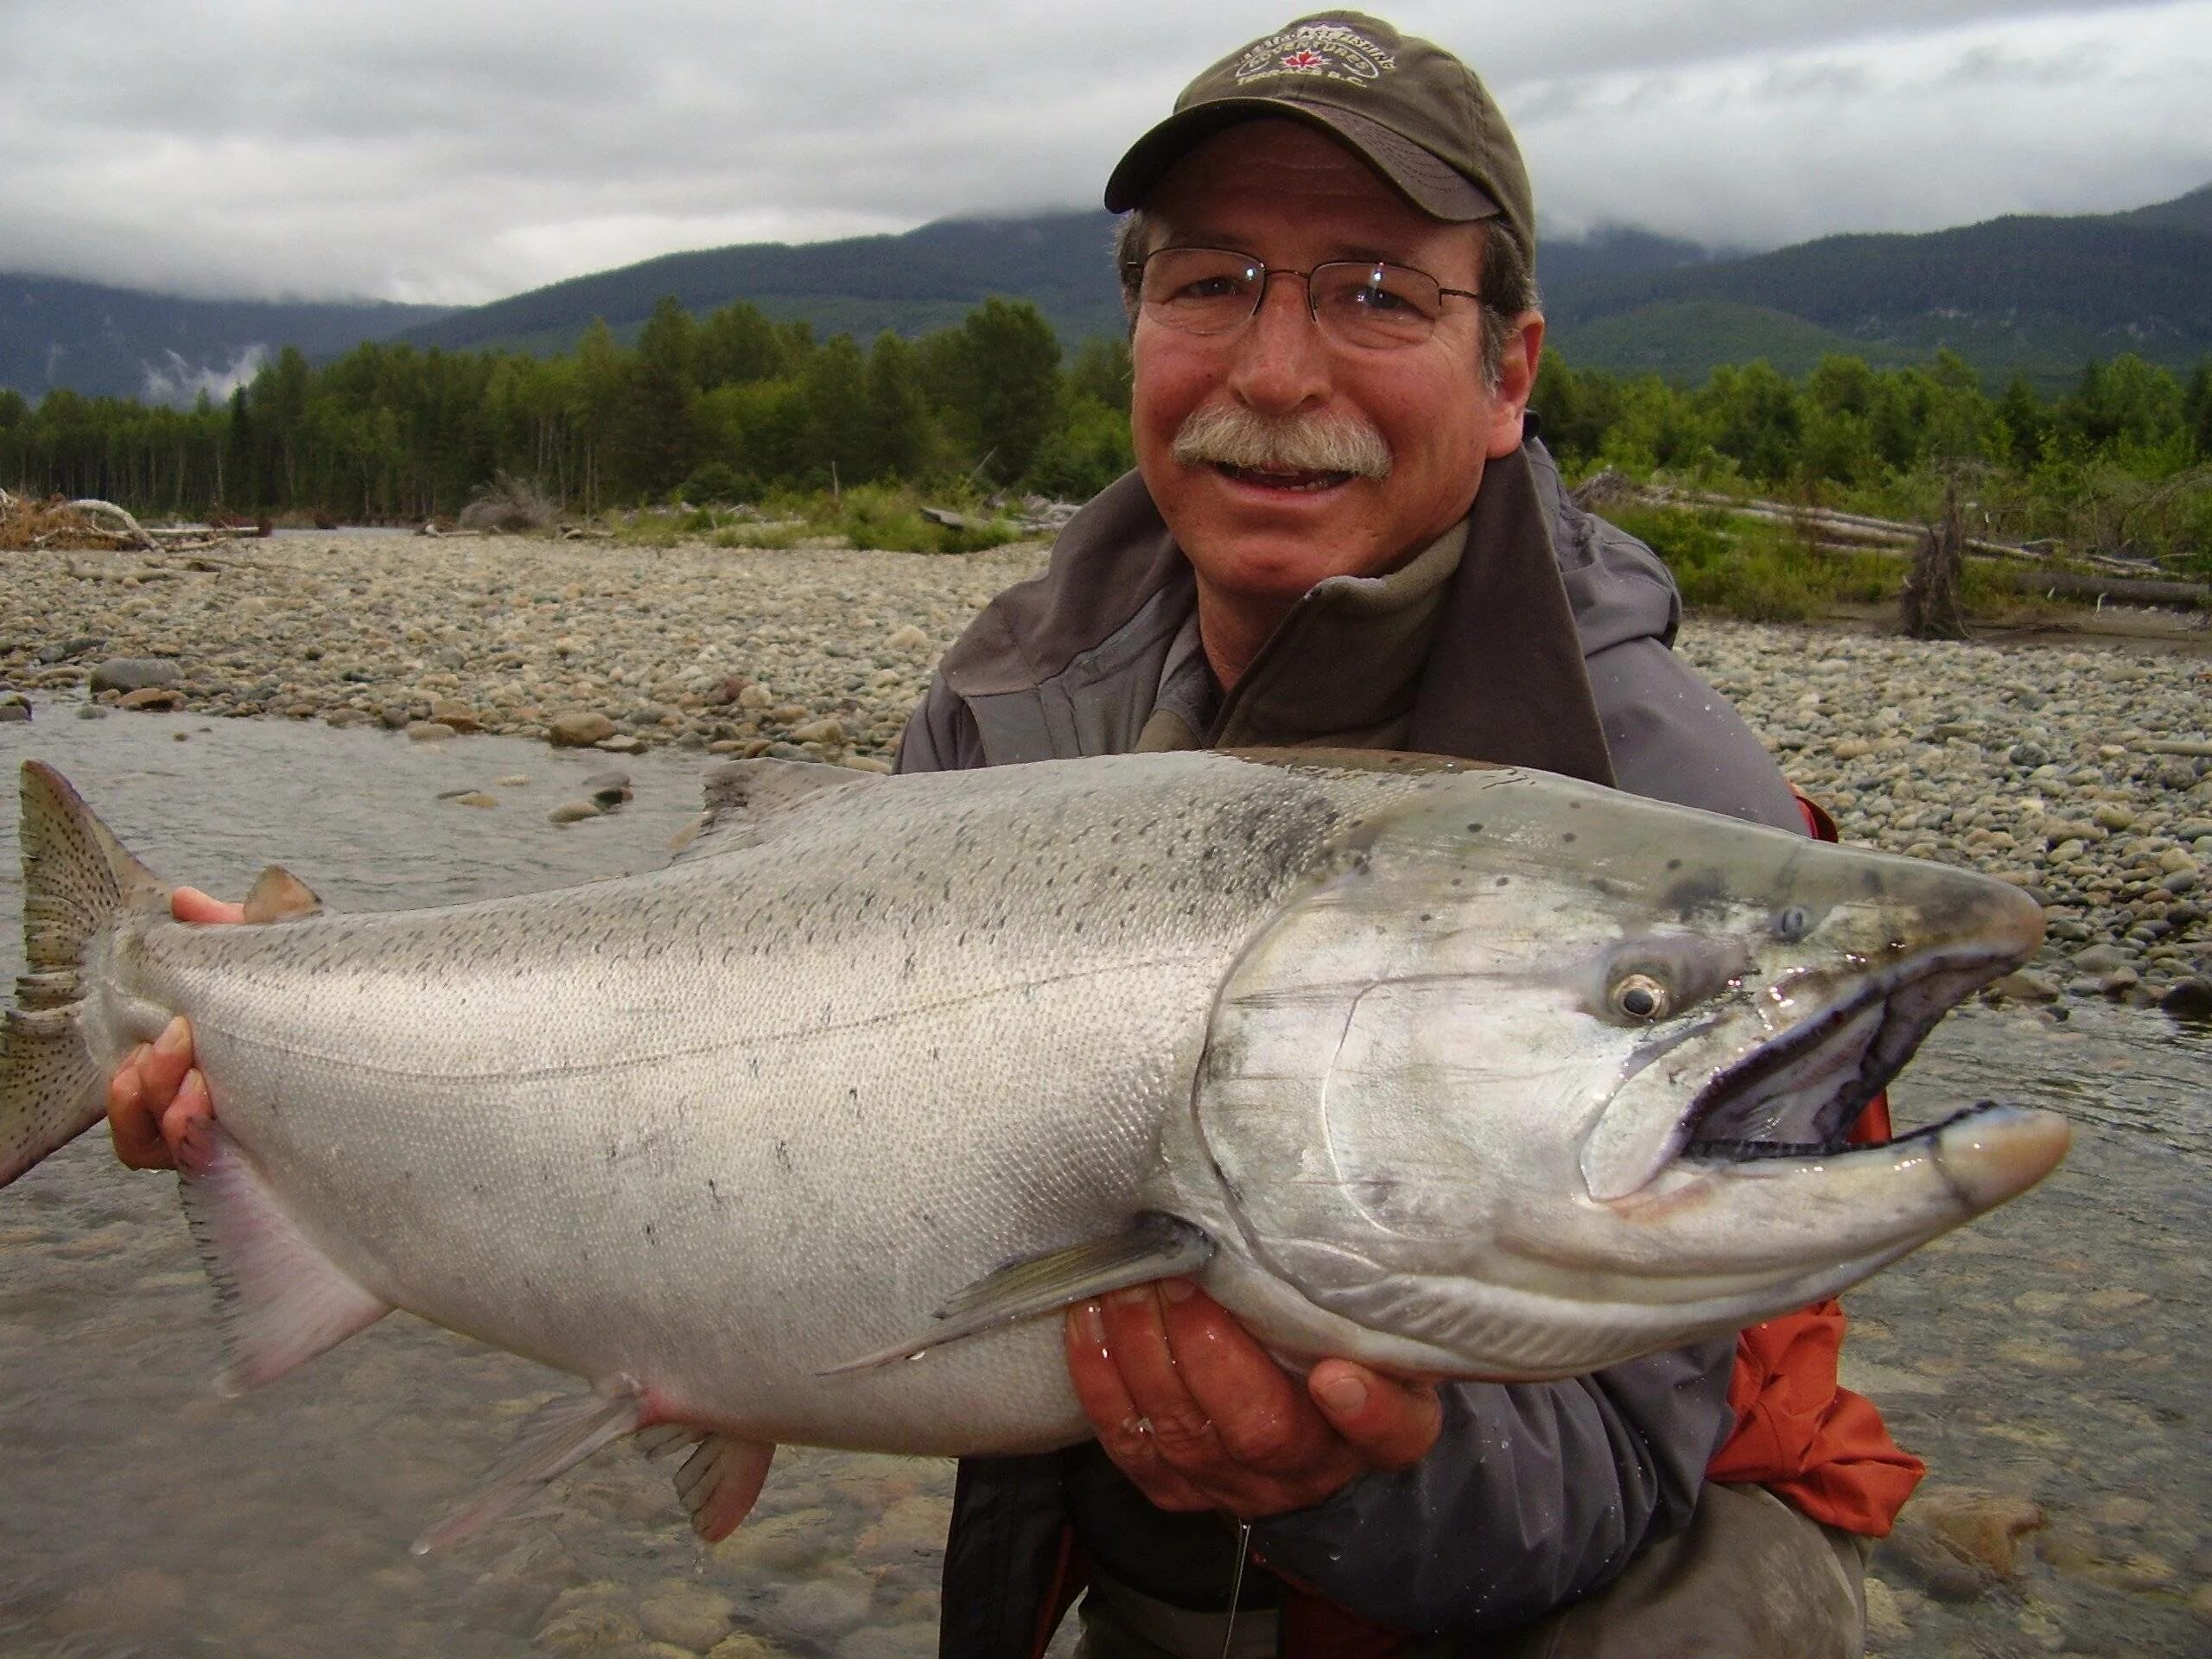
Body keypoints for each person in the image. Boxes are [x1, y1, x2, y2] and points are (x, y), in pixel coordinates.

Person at [110, 14, 1921, 1656]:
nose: (1276, 367)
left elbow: (1615, 1469)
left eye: (1373, 292)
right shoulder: (1005, 709)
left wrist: (1338, 1474)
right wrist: (272, 1074)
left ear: (1509, 367)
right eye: (1212, 283)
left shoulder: (1659, 814)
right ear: (1136, 331)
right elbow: (714, 1117)